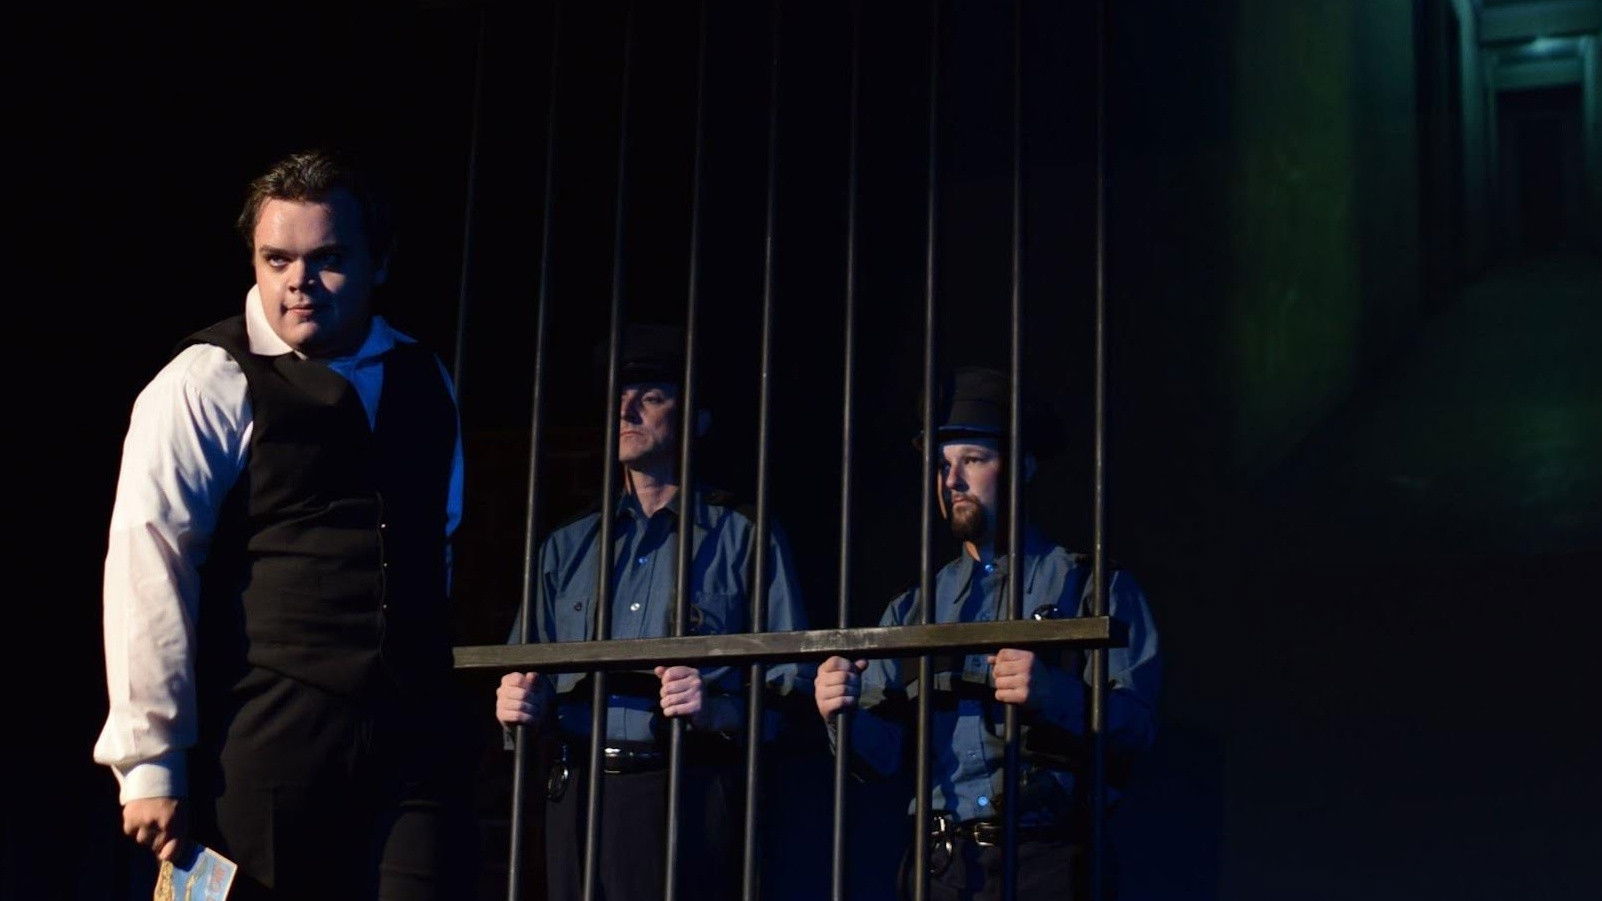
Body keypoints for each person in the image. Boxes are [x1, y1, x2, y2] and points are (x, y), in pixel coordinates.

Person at [93, 149, 476, 899]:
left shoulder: (423, 376)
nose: (298, 280)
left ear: (378, 263)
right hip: (263, 733)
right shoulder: (205, 380)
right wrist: (150, 761)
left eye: (327, 258)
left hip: (410, 731)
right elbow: (149, 565)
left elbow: (441, 535)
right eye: (277, 259)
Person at [814, 366, 1161, 900]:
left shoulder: (1091, 586)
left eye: (972, 460)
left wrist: (1054, 694)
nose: (951, 480)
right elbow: (883, 757)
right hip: (941, 865)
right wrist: (841, 713)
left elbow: (1137, 727)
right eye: (941, 465)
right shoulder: (912, 609)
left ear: (1022, 466)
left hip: (1048, 859)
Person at [495, 322, 811, 901]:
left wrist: (717, 707)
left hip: (688, 790)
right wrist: (518, 703)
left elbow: (793, 687)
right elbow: (524, 667)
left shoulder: (744, 535)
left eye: (651, 397)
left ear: (696, 419)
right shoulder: (568, 545)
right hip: (578, 791)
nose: (626, 410)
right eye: (619, 397)